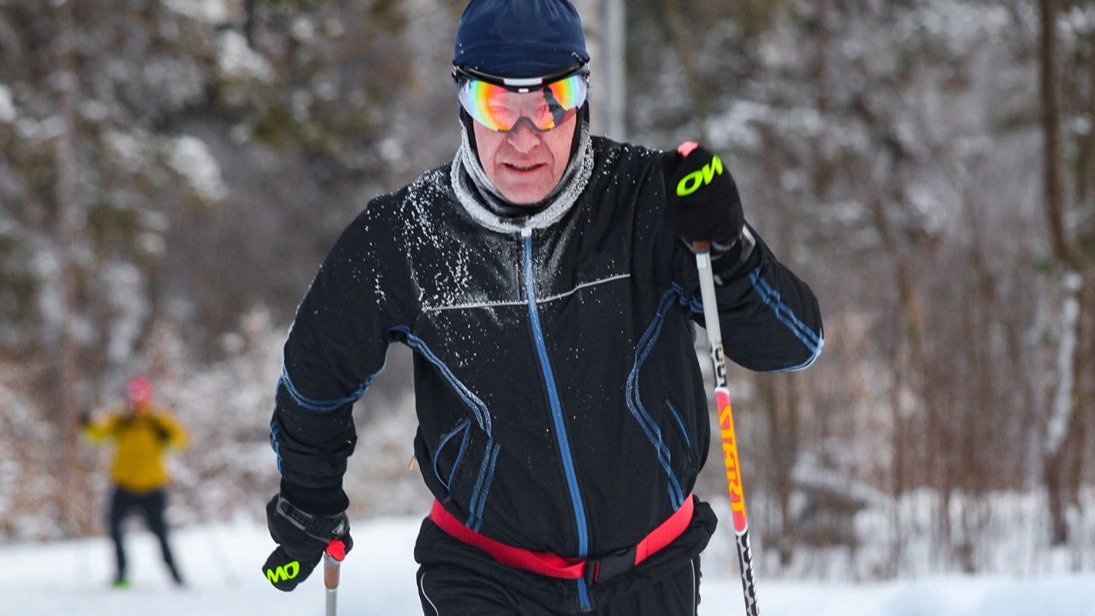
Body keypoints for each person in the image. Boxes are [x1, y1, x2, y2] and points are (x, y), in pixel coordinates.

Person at [261, 0, 824, 613]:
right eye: (498, 106)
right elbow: (316, 371)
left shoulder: (645, 202)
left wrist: (729, 249)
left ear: (581, 100)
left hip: (648, 571)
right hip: (487, 575)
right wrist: (310, 499)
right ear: (464, 104)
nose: (524, 138)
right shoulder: (408, 236)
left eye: (551, 102)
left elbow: (793, 343)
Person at [81, 375, 189, 588]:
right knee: (113, 526)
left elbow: (181, 438)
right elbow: (98, 434)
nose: (135, 402)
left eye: (139, 397)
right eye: (132, 397)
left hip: (152, 487)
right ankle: (121, 574)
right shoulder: (120, 420)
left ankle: (176, 575)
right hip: (124, 486)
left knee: (160, 533)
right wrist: (86, 425)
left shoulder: (156, 420)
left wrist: (169, 435)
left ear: (147, 398)